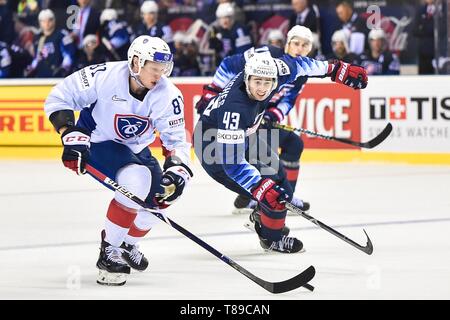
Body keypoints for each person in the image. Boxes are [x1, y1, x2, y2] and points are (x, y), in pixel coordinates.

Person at [43, 35, 193, 286]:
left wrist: (177, 170)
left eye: (163, 69)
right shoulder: (103, 75)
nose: (160, 75)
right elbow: (59, 97)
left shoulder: (168, 94)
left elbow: (176, 139)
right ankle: (108, 251)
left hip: (135, 148)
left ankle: (126, 244)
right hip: (99, 141)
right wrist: (69, 133)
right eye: (154, 69)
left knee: (162, 196)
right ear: (135, 63)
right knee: (137, 180)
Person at [194, 50, 367, 254]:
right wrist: (260, 188)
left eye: (267, 83)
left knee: (279, 181)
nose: (262, 89)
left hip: (245, 135)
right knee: (271, 194)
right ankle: (272, 239)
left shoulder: (273, 71)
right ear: (247, 77)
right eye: (257, 82)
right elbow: (231, 164)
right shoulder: (234, 109)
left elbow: (301, 65)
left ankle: (261, 216)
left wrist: (336, 69)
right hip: (212, 148)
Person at [195, 26, 317, 217]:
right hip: (243, 117)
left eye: (305, 45)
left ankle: (285, 196)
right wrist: (214, 89)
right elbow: (229, 64)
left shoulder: (301, 73)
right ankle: (256, 197)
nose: (300, 49)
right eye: (296, 43)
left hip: (260, 118)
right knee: (261, 157)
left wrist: (273, 115)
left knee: (294, 143)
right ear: (287, 43)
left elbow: (288, 100)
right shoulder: (266, 54)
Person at [26, 9, 76, 77]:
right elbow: (37, 58)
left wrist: (63, 69)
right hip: (41, 77)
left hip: (58, 77)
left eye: (50, 20)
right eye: (43, 21)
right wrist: (31, 67)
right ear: (40, 22)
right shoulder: (38, 37)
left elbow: (69, 55)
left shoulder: (62, 35)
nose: (47, 23)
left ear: (54, 20)